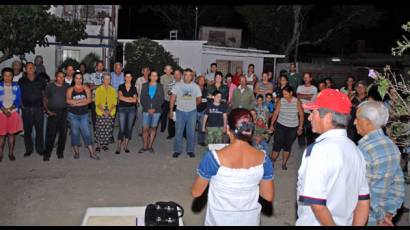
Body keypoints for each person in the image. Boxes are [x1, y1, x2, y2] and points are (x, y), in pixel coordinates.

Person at [296, 89, 370, 226]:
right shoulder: (356, 151)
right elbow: (363, 200)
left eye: (313, 113)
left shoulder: (317, 151)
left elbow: (317, 205)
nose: (309, 117)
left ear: (328, 117)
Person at [191, 108, 274, 226]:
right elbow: (268, 196)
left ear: (228, 129)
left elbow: (196, 192)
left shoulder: (214, 158)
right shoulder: (264, 159)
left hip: (220, 220)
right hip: (249, 220)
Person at [354, 101, 405, 226]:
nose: (354, 122)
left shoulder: (363, 151)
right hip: (382, 218)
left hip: (366, 218)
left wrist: (379, 217)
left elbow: (361, 193)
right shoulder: (391, 145)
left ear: (367, 122)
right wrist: (388, 214)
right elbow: (397, 184)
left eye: (357, 118)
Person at [269, 86, 304, 170]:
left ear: (291, 93)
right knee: (277, 145)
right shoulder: (281, 101)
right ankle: (272, 162)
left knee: (287, 146)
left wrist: (300, 127)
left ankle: (284, 163)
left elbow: (301, 115)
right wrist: (271, 125)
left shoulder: (296, 101)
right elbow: (276, 113)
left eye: (286, 94)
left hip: (292, 127)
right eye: (283, 94)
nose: (284, 95)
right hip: (281, 125)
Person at [66, 72, 99, 160]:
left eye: (80, 78)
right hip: (73, 115)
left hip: (84, 115)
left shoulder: (86, 88)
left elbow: (89, 100)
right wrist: (82, 100)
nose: (79, 80)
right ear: (74, 79)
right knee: (75, 133)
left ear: (82, 79)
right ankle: (76, 152)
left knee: (87, 133)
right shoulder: (70, 89)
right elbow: (68, 101)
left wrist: (75, 103)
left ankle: (92, 153)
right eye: (77, 78)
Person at [169, 68, 202, 158]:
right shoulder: (177, 85)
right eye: (186, 75)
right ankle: (177, 150)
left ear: (192, 76)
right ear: (183, 75)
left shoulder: (196, 86)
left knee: (191, 132)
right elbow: (172, 98)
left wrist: (192, 105)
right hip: (180, 111)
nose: (187, 77)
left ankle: (190, 150)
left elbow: (199, 99)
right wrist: (171, 110)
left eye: (189, 75)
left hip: (192, 112)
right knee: (178, 132)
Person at [18, 62, 47, 157]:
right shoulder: (21, 80)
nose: (30, 69)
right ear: (25, 69)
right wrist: (22, 105)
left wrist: (45, 107)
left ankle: (40, 149)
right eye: (28, 68)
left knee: (39, 130)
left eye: (31, 67)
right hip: (26, 109)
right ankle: (29, 149)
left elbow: (44, 94)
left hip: (39, 108)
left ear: (35, 68)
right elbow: (19, 94)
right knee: (27, 131)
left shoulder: (41, 79)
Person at [43, 71, 69, 161]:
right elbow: (45, 99)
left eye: (63, 77)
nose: (61, 79)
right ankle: (47, 154)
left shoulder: (67, 86)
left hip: (64, 113)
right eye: (59, 77)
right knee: (51, 135)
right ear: (55, 77)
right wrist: (47, 111)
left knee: (63, 134)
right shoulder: (50, 86)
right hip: (53, 113)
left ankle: (60, 152)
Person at [0, 68, 23, 162]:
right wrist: (3, 109)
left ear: (12, 76)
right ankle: (0, 153)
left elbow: (18, 100)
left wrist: (9, 109)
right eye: (5, 75)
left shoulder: (16, 86)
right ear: (2, 76)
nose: (7, 77)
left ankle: (10, 153)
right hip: (1, 113)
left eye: (9, 75)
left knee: (11, 134)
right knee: (1, 135)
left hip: (13, 113)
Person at [139, 71, 164, 154]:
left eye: (156, 75)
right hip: (146, 110)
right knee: (145, 129)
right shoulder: (145, 85)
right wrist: (147, 108)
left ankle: (150, 146)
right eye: (152, 75)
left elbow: (162, 99)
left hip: (157, 111)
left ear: (157, 77)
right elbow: (142, 98)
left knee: (153, 128)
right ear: (149, 77)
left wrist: (154, 109)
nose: (154, 77)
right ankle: (144, 146)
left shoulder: (160, 86)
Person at [94, 73, 117, 152]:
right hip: (101, 111)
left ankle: (104, 145)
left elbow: (115, 102)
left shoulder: (113, 90)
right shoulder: (98, 89)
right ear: (102, 80)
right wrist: (104, 111)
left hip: (110, 112)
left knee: (108, 129)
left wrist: (109, 112)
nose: (107, 80)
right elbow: (97, 102)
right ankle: (98, 145)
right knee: (99, 129)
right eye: (105, 79)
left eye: (109, 79)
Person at [116, 72, 138, 154]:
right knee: (121, 128)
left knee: (129, 128)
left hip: (132, 109)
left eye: (130, 77)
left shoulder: (134, 88)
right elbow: (120, 97)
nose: (128, 78)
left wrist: (126, 98)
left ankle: (125, 146)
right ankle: (118, 146)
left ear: (131, 78)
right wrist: (130, 98)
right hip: (122, 108)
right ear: (124, 78)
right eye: (126, 77)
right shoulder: (121, 86)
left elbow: (135, 100)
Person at [296, 72, 318, 146]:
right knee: (300, 127)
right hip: (300, 110)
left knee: (309, 129)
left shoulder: (314, 88)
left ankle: (310, 145)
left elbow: (312, 98)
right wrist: (308, 96)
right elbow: (298, 97)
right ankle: (301, 144)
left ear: (311, 78)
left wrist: (302, 96)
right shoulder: (299, 87)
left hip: (310, 111)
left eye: (307, 77)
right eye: (304, 77)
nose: (306, 79)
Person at [86, 60, 105, 129]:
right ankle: (95, 131)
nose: (100, 67)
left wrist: (96, 86)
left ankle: (103, 132)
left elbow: (108, 86)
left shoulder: (106, 75)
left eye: (101, 66)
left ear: (103, 67)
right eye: (98, 66)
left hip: (104, 99)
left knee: (103, 116)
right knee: (94, 116)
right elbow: (91, 87)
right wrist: (101, 85)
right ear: (96, 67)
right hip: (94, 99)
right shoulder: (92, 75)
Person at [159, 65, 174, 137]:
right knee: (163, 114)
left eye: (169, 69)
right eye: (166, 69)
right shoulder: (162, 77)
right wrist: (171, 85)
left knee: (172, 115)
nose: (168, 71)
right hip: (165, 98)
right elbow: (163, 86)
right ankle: (163, 128)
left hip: (173, 99)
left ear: (171, 70)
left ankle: (172, 130)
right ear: (164, 70)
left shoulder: (174, 77)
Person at [135, 67, 150, 137]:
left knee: (148, 116)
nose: (146, 72)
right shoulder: (139, 79)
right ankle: (140, 130)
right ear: (142, 72)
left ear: (149, 72)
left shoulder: (151, 79)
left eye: (147, 71)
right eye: (144, 71)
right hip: (140, 101)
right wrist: (137, 101)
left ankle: (146, 130)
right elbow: (136, 91)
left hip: (149, 102)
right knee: (140, 116)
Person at [196, 75, 208, 146]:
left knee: (201, 126)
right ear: (197, 81)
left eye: (203, 80)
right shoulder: (194, 89)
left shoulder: (206, 90)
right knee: (191, 127)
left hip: (203, 110)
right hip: (194, 110)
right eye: (200, 80)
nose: (202, 81)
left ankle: (201, 140)